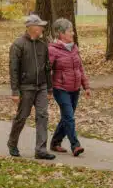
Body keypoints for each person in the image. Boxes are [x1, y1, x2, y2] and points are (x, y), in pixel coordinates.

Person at [8, 14, 54, 159]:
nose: (43, 28)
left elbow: (47, 68)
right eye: (40, 26)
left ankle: (41, 150)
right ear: (33, 28)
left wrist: (49, 88)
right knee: (22, 116)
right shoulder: (18, 45)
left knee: (43, 116)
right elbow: (13, 69)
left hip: (41, 87)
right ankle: (12, 143)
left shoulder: (43, 45)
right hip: (26, 87)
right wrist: (15, 91)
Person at [48, 17, 90, 156]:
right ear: (61, 34)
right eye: (70, 31)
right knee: (69, 117)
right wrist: (48, 89)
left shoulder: (74, 47)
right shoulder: (52, 50)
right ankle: (75, 145)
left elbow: (80, 68)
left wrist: (86, 86)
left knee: (67, 117)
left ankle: (55, 142)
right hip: (60, 88)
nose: (73, 33)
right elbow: (46, 70)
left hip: (75, 88)